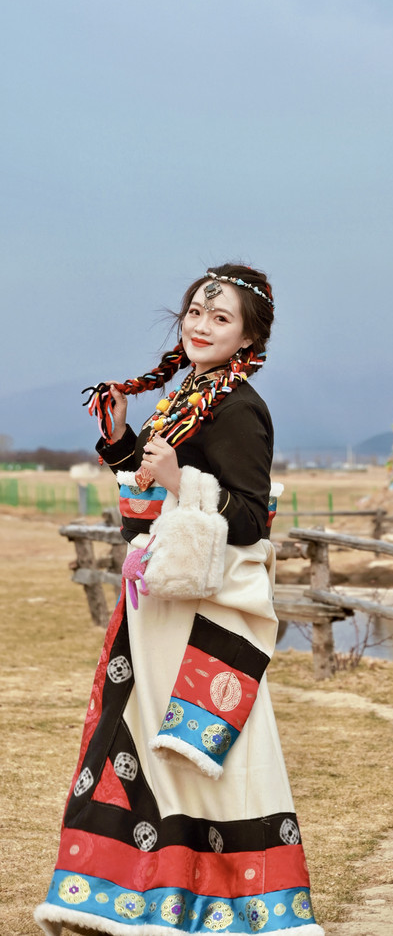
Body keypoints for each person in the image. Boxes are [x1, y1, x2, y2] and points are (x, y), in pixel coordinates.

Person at [35, 264, 324, 936]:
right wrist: (120, 442)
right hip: (158, 602)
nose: (201, 325)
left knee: (198, 760)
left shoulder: (241, 408)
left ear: (248, 337)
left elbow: (250, 516)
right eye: (195, 311)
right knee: (141, 747)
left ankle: (231, 906)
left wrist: (175, 478)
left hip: (199, 613)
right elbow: (155, 487)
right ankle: (135, 898)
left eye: (220, 319)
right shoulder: (192, 393)